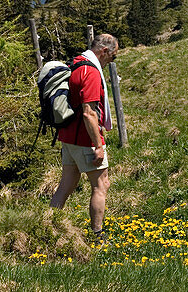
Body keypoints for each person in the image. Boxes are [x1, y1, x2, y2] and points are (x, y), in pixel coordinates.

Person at [49, 33, 118, 234]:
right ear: (104, 51)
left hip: (68, 135)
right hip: (84, 138)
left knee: (66, 185)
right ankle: (97, 235)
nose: (111, 62)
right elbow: (89, 113)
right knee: (101, 185)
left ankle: (48, 227)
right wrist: (98, 146)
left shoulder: (77, 64)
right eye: (113, 57)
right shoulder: (91, 72)